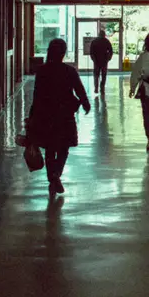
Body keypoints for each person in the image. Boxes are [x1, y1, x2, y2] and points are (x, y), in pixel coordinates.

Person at [28, 38, 91, 194]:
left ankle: (52, 176)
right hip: (65, 115)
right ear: (63, 53)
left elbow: (37, 95)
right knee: (64, 147)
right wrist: (85, 103)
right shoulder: (69, 71)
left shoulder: (42, 71)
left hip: (46, 114)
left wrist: (32, 115)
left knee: (50, 148)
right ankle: (57, 173)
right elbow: (79, 89)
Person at [88, 29, 114, 95]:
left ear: (99, 34)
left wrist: (93, 59)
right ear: (104, 35)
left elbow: (91, 52)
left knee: (96, 75)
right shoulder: (106, 41)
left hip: (96, 61)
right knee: (103, 75)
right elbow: (111, 51)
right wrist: (108, 58)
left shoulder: (94, 41)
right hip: (104, 61)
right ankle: (102, 88)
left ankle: (96, 88)